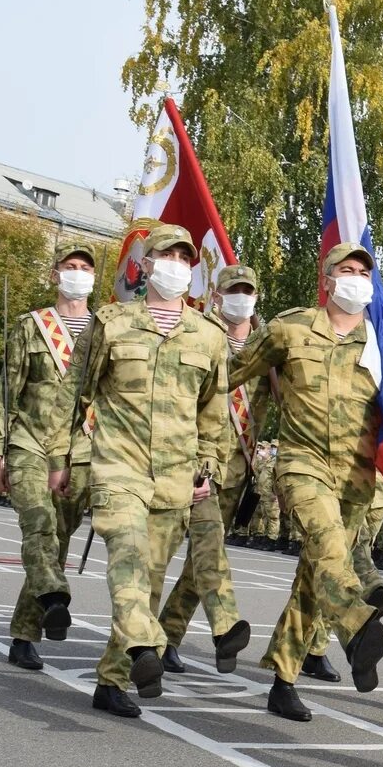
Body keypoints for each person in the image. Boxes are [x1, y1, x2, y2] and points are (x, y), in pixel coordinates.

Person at [49, 224, 231, 719]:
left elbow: (213, 413)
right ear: (145, 265)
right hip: (118, 467)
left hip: (176, 478)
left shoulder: (209, 336)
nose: (174, 263)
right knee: (127, 558)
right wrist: (62, 457)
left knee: (147, 580)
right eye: (164, 255)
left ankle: (112, 679)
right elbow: (74, 394)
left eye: (183, 257)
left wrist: (207, 467)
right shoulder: (110, 322)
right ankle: (147, 645)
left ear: (192, 270)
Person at [230, 242, 383, 721]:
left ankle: (284, 679)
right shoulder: (289, 329)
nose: (355, 278)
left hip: (355, 477)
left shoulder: (380, 344)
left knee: (313, 577)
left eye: (363, 272)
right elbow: (228, 374)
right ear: (327, 279)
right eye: (345, 270)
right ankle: (355, 627)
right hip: (302, 464)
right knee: (331, 551)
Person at [0, 242, 98, 673]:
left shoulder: (103, 330)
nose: (77, 273)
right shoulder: (30, 327)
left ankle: (24, 633)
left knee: (57, 542)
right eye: (69, 266)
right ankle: (55, 594)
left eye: (84, 267)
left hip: (78, 452)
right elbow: (6, 390)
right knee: (37, 523)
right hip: (29, 443)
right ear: (55, 275)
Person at [156, 263, 262, 674]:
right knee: (178, 554)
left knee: (199, 562)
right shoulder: (199, 334)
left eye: (247, 291)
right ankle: (146, 636)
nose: (241, 297)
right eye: (233, 289)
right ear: (216, 296)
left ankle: (165, 638)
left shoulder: (265, 348)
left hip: (237, 472)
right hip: (192, 463)